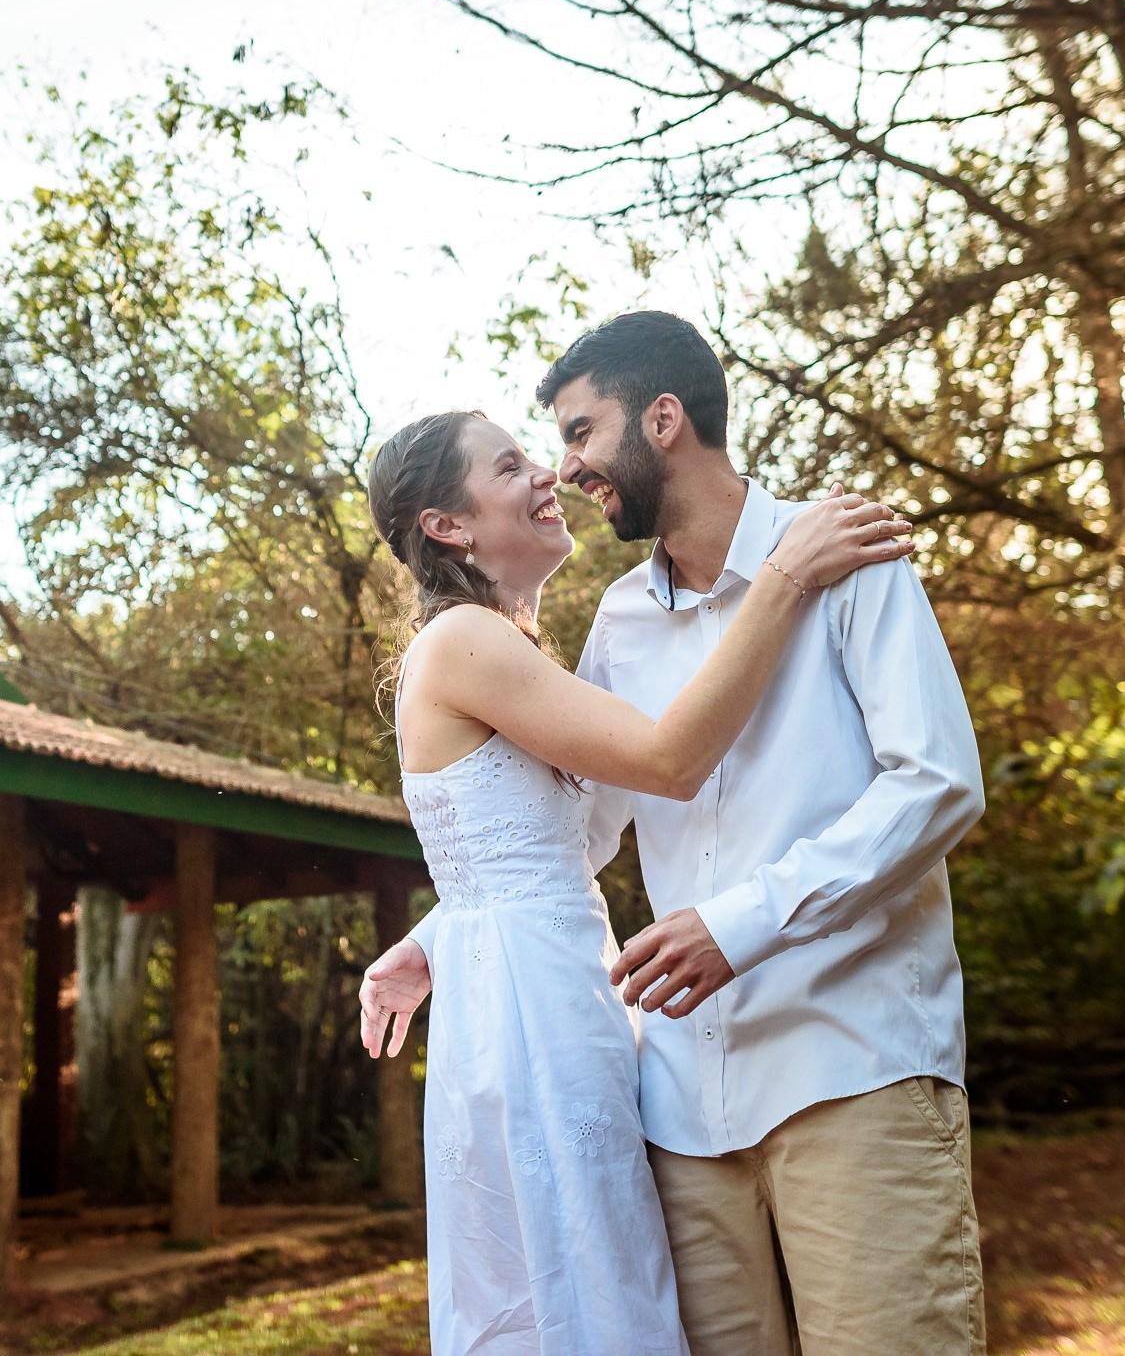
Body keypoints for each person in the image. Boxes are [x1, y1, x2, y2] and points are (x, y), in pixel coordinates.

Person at [363, 312, 988, 1355]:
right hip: (681, 1106)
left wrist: (737, 925)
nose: (564, 472)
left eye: (574, 435)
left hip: (849, 1062)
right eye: (536, 451)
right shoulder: (614, 621)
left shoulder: (843, 555)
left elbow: (934, 785)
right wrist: (442, 932)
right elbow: (588, 819)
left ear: (660, 420)